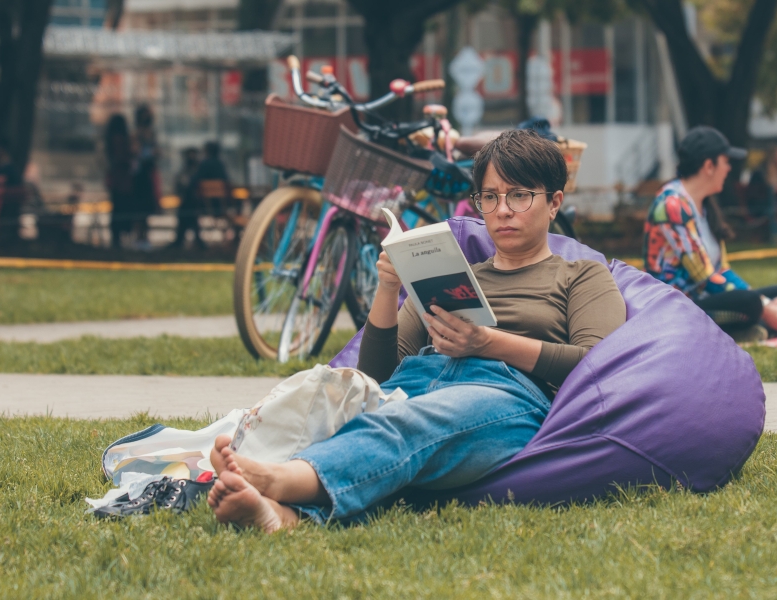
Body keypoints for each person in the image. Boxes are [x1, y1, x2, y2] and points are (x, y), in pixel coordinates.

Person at [204, 129, 627, 532]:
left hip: (507, 396)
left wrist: (487, 342)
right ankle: (281, 516)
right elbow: (376, 375)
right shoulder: (454, 273)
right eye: (490, 197)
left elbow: (598, 365)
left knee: (406, 421)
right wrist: (389, 288)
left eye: (519, 196)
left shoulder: (581, 276)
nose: (502, 211)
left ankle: (279, 479)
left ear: (554, 202)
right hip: (418, 381)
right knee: (350, 400)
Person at [643, 126, 777, 342]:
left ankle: (747, 328)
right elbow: (705, 277)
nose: (729, 168)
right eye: (726, 161)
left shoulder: (704, 205)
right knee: (751, 303)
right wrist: (764, 306)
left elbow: (721, 270)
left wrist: (765, 302)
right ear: (709, 166)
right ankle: (750, 327)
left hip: (707, 301)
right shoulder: (671, 205)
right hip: (675, 309)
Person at [131, 104, 160, 248]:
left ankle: (145, 238)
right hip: (139, 176)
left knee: (148, 208)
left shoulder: (151, 133)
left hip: (149, 174)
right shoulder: (137, 134)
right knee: (139, 208)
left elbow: (156, 151)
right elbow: (136, 152)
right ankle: (138, 237)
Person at [104, 114, 134, 248]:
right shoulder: (120, 140)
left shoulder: (109, 139)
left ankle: (117, 237)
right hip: (123, 179)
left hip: (115, 179)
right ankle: (120, 237)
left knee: (116, 208)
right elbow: (123, 158)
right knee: (122, 208)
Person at [171, 146, 203, 249]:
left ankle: (180, 240)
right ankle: (196, 240)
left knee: (185, 211)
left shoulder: (198, 169)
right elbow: (179, 185)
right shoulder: (185, 169)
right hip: (191, 202)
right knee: (187, 212)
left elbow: (190, 185)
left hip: (198, 201)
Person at [190, 140, 230, 217]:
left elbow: (195, 180)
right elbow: (226, 179)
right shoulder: (220, 164)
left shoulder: (204, 164)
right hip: (221, 201)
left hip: (206, 202)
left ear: (207, 151)